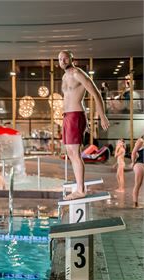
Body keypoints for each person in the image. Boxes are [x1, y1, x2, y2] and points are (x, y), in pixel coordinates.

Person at [58, 50, 110, 200]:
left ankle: (80, 190)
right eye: (60, 59)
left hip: (75, 115)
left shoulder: (77, 73)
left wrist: (102, 115)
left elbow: (95, 93)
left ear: (71, 58)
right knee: (69, 152)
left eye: (65, 58)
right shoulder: (64, 76)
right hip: (67, 116)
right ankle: (79, 186)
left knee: (75, 152)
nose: (62, 61)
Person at [131, 136, 144, 207]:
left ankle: (135, 203)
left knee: (139, 184)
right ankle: (135, 204)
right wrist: (133, 162)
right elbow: (133, 152)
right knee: (137, 184)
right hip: (139, 164)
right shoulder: (141, 140)